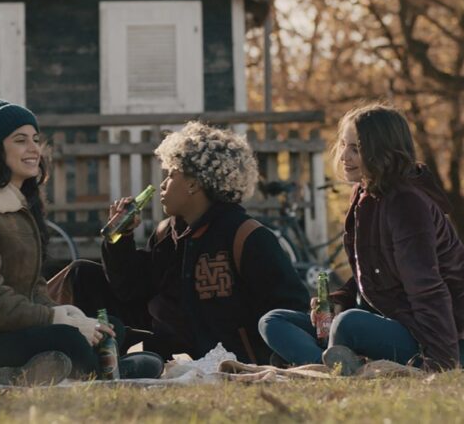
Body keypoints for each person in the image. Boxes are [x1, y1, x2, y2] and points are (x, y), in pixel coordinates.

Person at [0, 99, 162, 387]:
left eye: (36, 140)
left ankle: (37, 373)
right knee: (67, 338)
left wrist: (70, 314)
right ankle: (103, 371)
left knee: (110, 327)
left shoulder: (21, 209)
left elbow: (32, 290)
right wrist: (57, 320)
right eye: (20, 140)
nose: (34, 148)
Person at [51, 121, 310, 364]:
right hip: (165, 348)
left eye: (171, 175)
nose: (162, 184)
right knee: (81, 274)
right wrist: (120, 238)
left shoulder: (247, 236)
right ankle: (59, 347)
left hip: (224, 355)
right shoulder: (167, 233)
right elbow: (130, 289)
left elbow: (289, 307)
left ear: (194, 184)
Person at [258, 104, 464, 373]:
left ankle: (323, 360)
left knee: (348, 325)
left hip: (428, 335)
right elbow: (374, 269)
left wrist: (442, 361)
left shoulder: (407, 203)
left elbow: (427, 286)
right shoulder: (365, 192)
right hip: (383, 316)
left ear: (383, 152)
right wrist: (341, 298)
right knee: (273, 321)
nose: (344, 156)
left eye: (356, 149)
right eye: (343, 145)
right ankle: (336, 362)